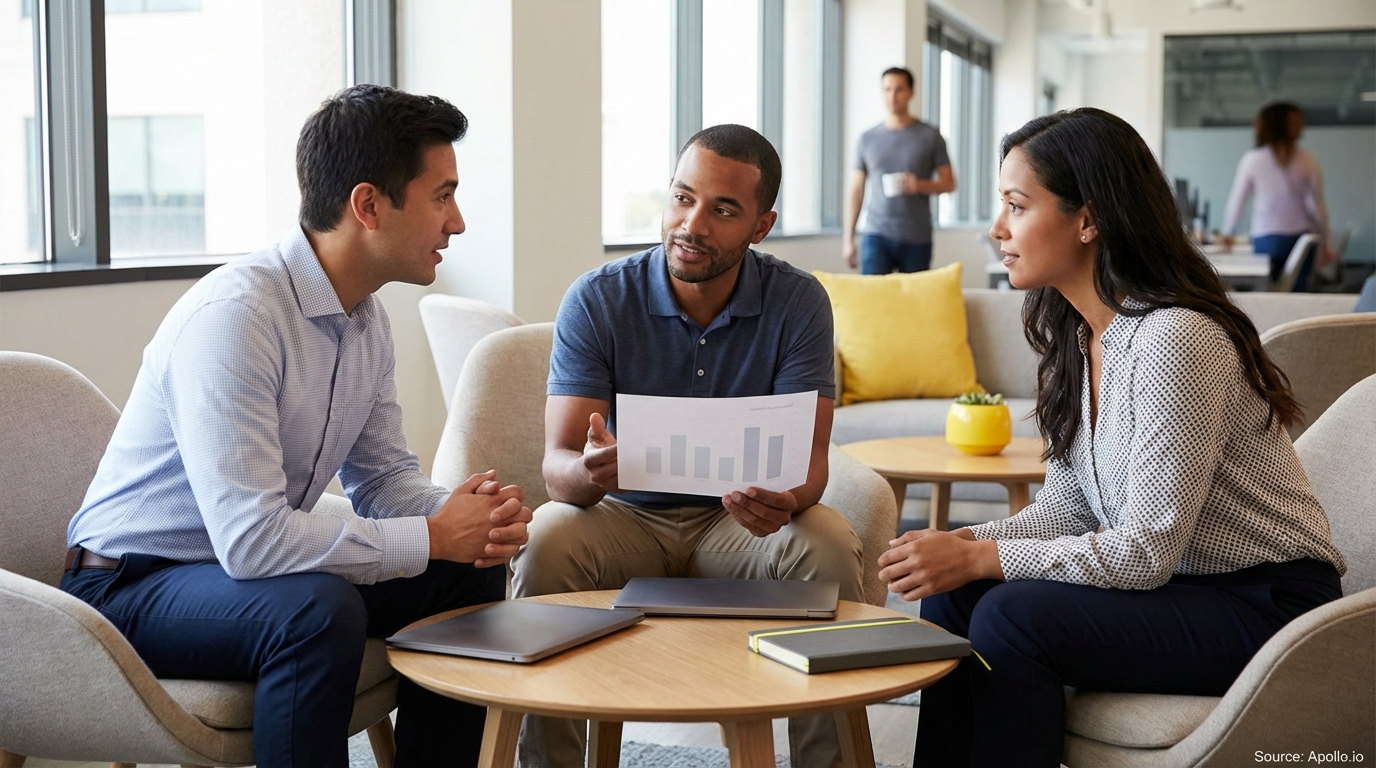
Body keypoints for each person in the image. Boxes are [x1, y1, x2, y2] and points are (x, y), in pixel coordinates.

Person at [62, 85, 534, 767]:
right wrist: (430, 534)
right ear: (368, 205)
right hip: (132, 584)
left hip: (242, 575)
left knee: (466, 574)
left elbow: (384, 479)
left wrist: (463, 521)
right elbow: (253, 541)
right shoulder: (237, 318)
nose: (456, 222)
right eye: (442, 196)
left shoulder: (365, 319)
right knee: (315, 609)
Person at [878, 108, 1346, 767]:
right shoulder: (1075, 338)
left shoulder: (1175, 339)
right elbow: (1069, 511)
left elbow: (1146, 551)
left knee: (1012, 616)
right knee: (957, 592)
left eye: (1017, 204)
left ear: (1088, 219)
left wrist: (986, 558)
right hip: (1181, 589)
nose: (997, 229)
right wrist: (962, 546)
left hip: (1265, 604)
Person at [512, 124, 864, 768]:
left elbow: (812, 465)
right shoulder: (598, 299)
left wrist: (785, 499)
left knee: (829, 540)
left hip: (738, 526)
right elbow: (557, 471)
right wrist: (590, 472)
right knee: (545, 537)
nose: (692, 224)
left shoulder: (798, 301)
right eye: (682, 197)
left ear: (761, 226)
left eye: (723, 209)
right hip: (624, 518)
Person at [842, 66, 956, 275]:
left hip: (917, 237)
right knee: (873, 300)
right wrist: (848, 239)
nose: (892, 96)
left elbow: (949, 183)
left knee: (913, 305)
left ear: (911, 92)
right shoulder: (867, 139)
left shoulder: (930, 136)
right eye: (887, 90)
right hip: (876, 233)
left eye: (899, 90)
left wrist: (919, 185)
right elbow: (856, 190)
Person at [1221, 101, 1332, 291]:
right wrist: (1326, 242)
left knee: (1266, 292)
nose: (1302, 127)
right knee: (1297, 294)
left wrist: (1228, 233)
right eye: (1297, 122)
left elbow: (1237, 202)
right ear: (1282, 124)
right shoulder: (1308, 160)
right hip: (1299, 240)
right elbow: (1317, 207)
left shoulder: (1252, 160)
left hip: (1265, 238)